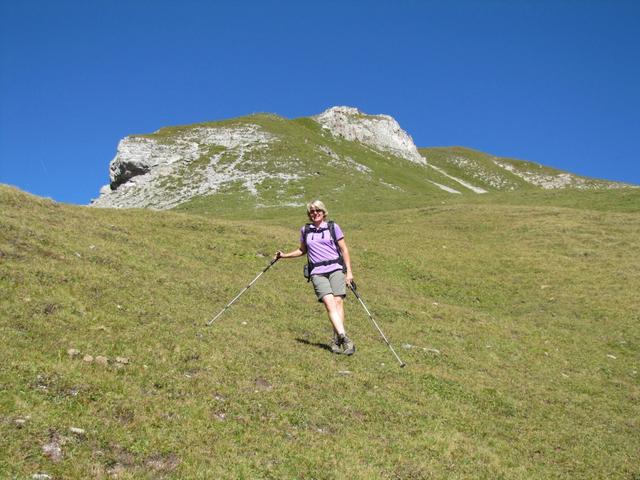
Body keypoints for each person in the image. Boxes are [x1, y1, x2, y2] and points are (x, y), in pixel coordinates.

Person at [275, 200, 355, 355]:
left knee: (338, 302)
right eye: (311, 211)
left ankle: (336, 340)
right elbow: (302, 250)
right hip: (317, 272)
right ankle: (345, 338)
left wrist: (349, 272)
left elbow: (344, 249)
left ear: (323, 212)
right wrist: (284, 256)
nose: (315, 213)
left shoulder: (333, 227)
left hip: (336, 269)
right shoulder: (305, 230)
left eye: (318, 210)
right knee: (329, 303)